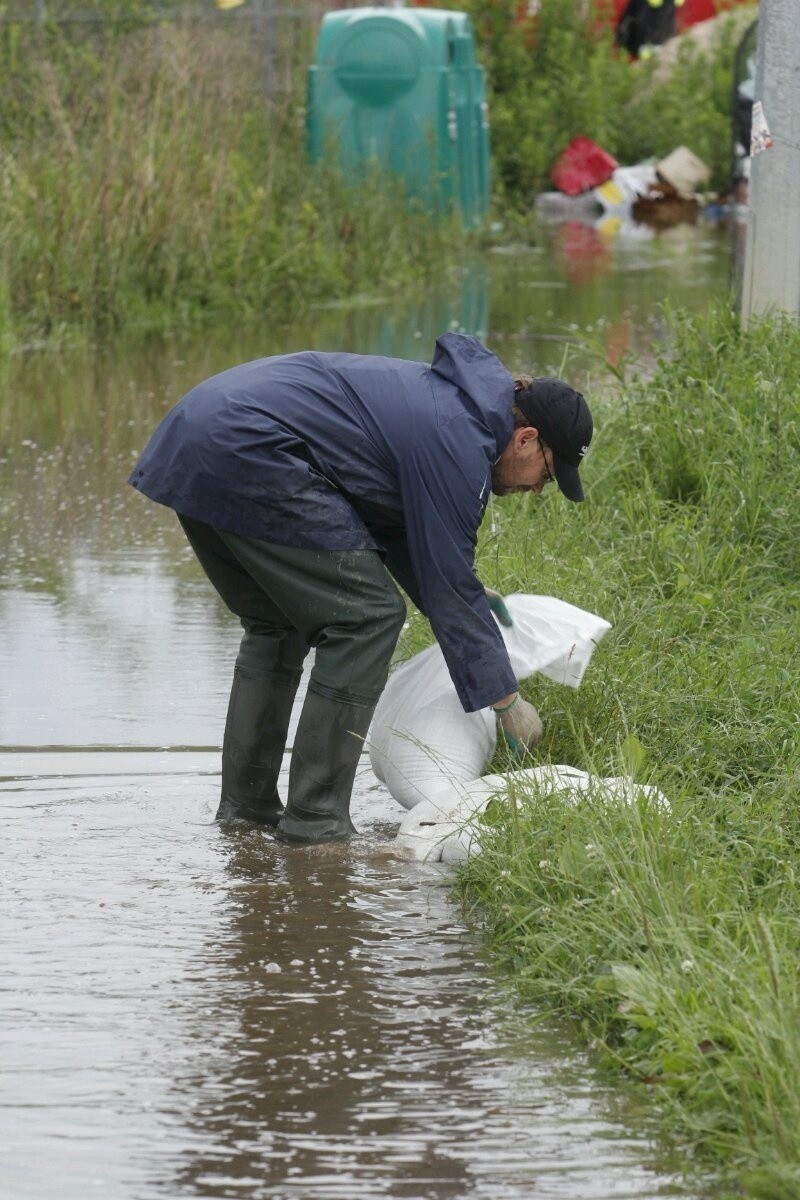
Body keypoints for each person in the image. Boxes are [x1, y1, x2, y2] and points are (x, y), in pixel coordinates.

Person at [129, 333, 592, 845]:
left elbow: (404, 534)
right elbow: (446, 583)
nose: (534, 489)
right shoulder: (459, 438)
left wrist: (469, 599)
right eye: (546, 475)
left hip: (199, 434)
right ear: (526, 439)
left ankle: (246, 813)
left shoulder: (455, 411)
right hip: (248, 446)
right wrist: (507, 702)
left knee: (276, 624)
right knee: (366, 616)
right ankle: (316, 821)